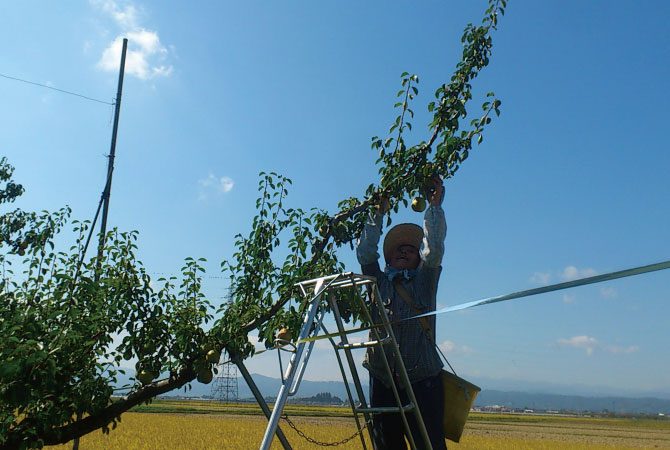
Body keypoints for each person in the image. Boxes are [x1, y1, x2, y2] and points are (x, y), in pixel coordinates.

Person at [356, 176, 447, 450]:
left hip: (423, 380)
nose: (404, 252)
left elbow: (435, 250)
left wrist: (433, 208)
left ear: (418, 258)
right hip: (383, 378)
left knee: (429, 445)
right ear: (389, 258)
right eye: (399, 249)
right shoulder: (378, 282)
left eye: (411, 249)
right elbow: (365, 253)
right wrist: (377, 213)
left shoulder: (424, 281)